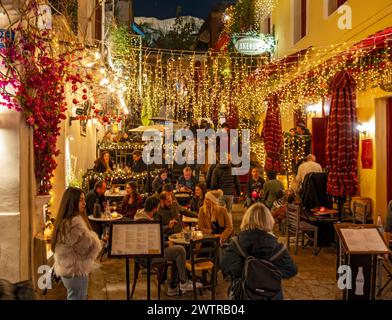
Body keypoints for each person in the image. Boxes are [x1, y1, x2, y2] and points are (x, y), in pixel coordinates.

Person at [220, 203, 297, 300]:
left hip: (243, 294)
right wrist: (268, 275)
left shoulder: (236, 244)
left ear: (246, 219)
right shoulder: (277, 248)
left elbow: (224, 266)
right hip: (271, 296)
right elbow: (291, 270)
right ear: (269, 220)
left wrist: (244, 273)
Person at [134, 196, 202, 296]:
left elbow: (152, 239)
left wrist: (166, 243)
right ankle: (183, 282)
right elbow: (151, 242)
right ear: (154, 208)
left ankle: (173, 286)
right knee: (180, 250)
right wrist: (165, 244)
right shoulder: (147, 221)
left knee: (176, 252)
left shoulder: (141, 216)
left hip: (145, 253)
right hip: (148, 256)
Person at [51, 187, 102, 300]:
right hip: (75, 271)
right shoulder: (74, 224)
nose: (84, 203)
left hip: (67, 268)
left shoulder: (65, 221)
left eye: (84, 199)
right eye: (80, 200)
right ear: (72, 202)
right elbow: (89, 247)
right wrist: (96, 239)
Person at [211, 156, 241, 223]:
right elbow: (237, 183)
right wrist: (238, 194)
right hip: (230, 194)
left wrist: (215, 192)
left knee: (220, 212)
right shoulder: (233, 169)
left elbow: (213, 184)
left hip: (220, 193)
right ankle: (230, 228)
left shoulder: (216, 170)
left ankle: (222, 228)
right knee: (229, 212)